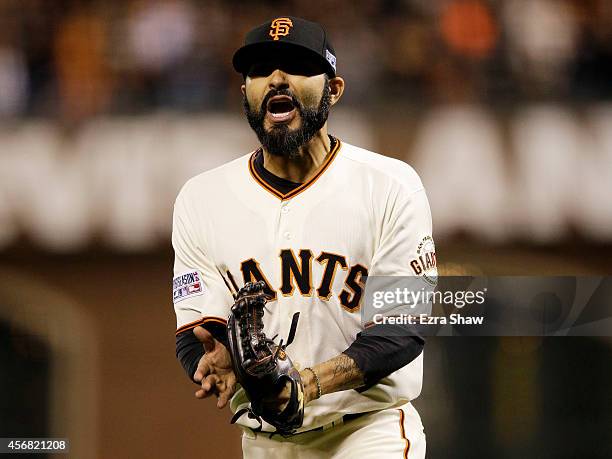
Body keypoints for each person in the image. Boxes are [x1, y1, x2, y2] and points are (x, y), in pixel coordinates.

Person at [172, 16, 437, 458]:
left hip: (368, 432)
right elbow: (199, 327)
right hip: (265, 443)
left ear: (334, 89)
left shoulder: (389, 184)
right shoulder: (201, 198)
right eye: (259, 71)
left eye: (296, 65)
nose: (277, 78)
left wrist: (310, 384)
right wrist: (214, 361)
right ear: (245, 93)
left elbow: (400, 331)